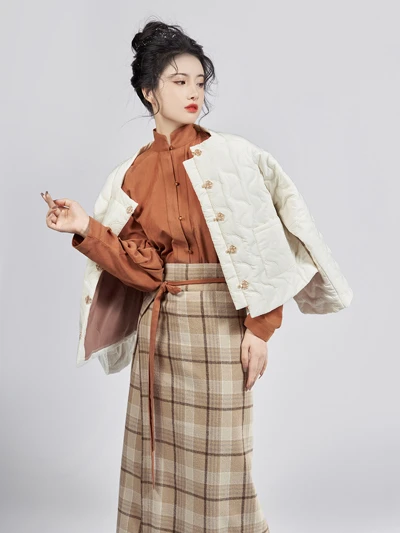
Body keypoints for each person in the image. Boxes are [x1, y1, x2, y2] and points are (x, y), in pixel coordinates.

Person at [42, 19, 352, 533]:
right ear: (149, 91)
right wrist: (86, 228)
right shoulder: (131, 174)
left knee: (225, 464)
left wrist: (261, 328)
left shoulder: (235, 156)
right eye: (179, 80)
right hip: (161, 329)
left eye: (200, 81)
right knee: (158, 463)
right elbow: (145, 271)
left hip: (223, 323)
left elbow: (264, 247)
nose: (193, 93)